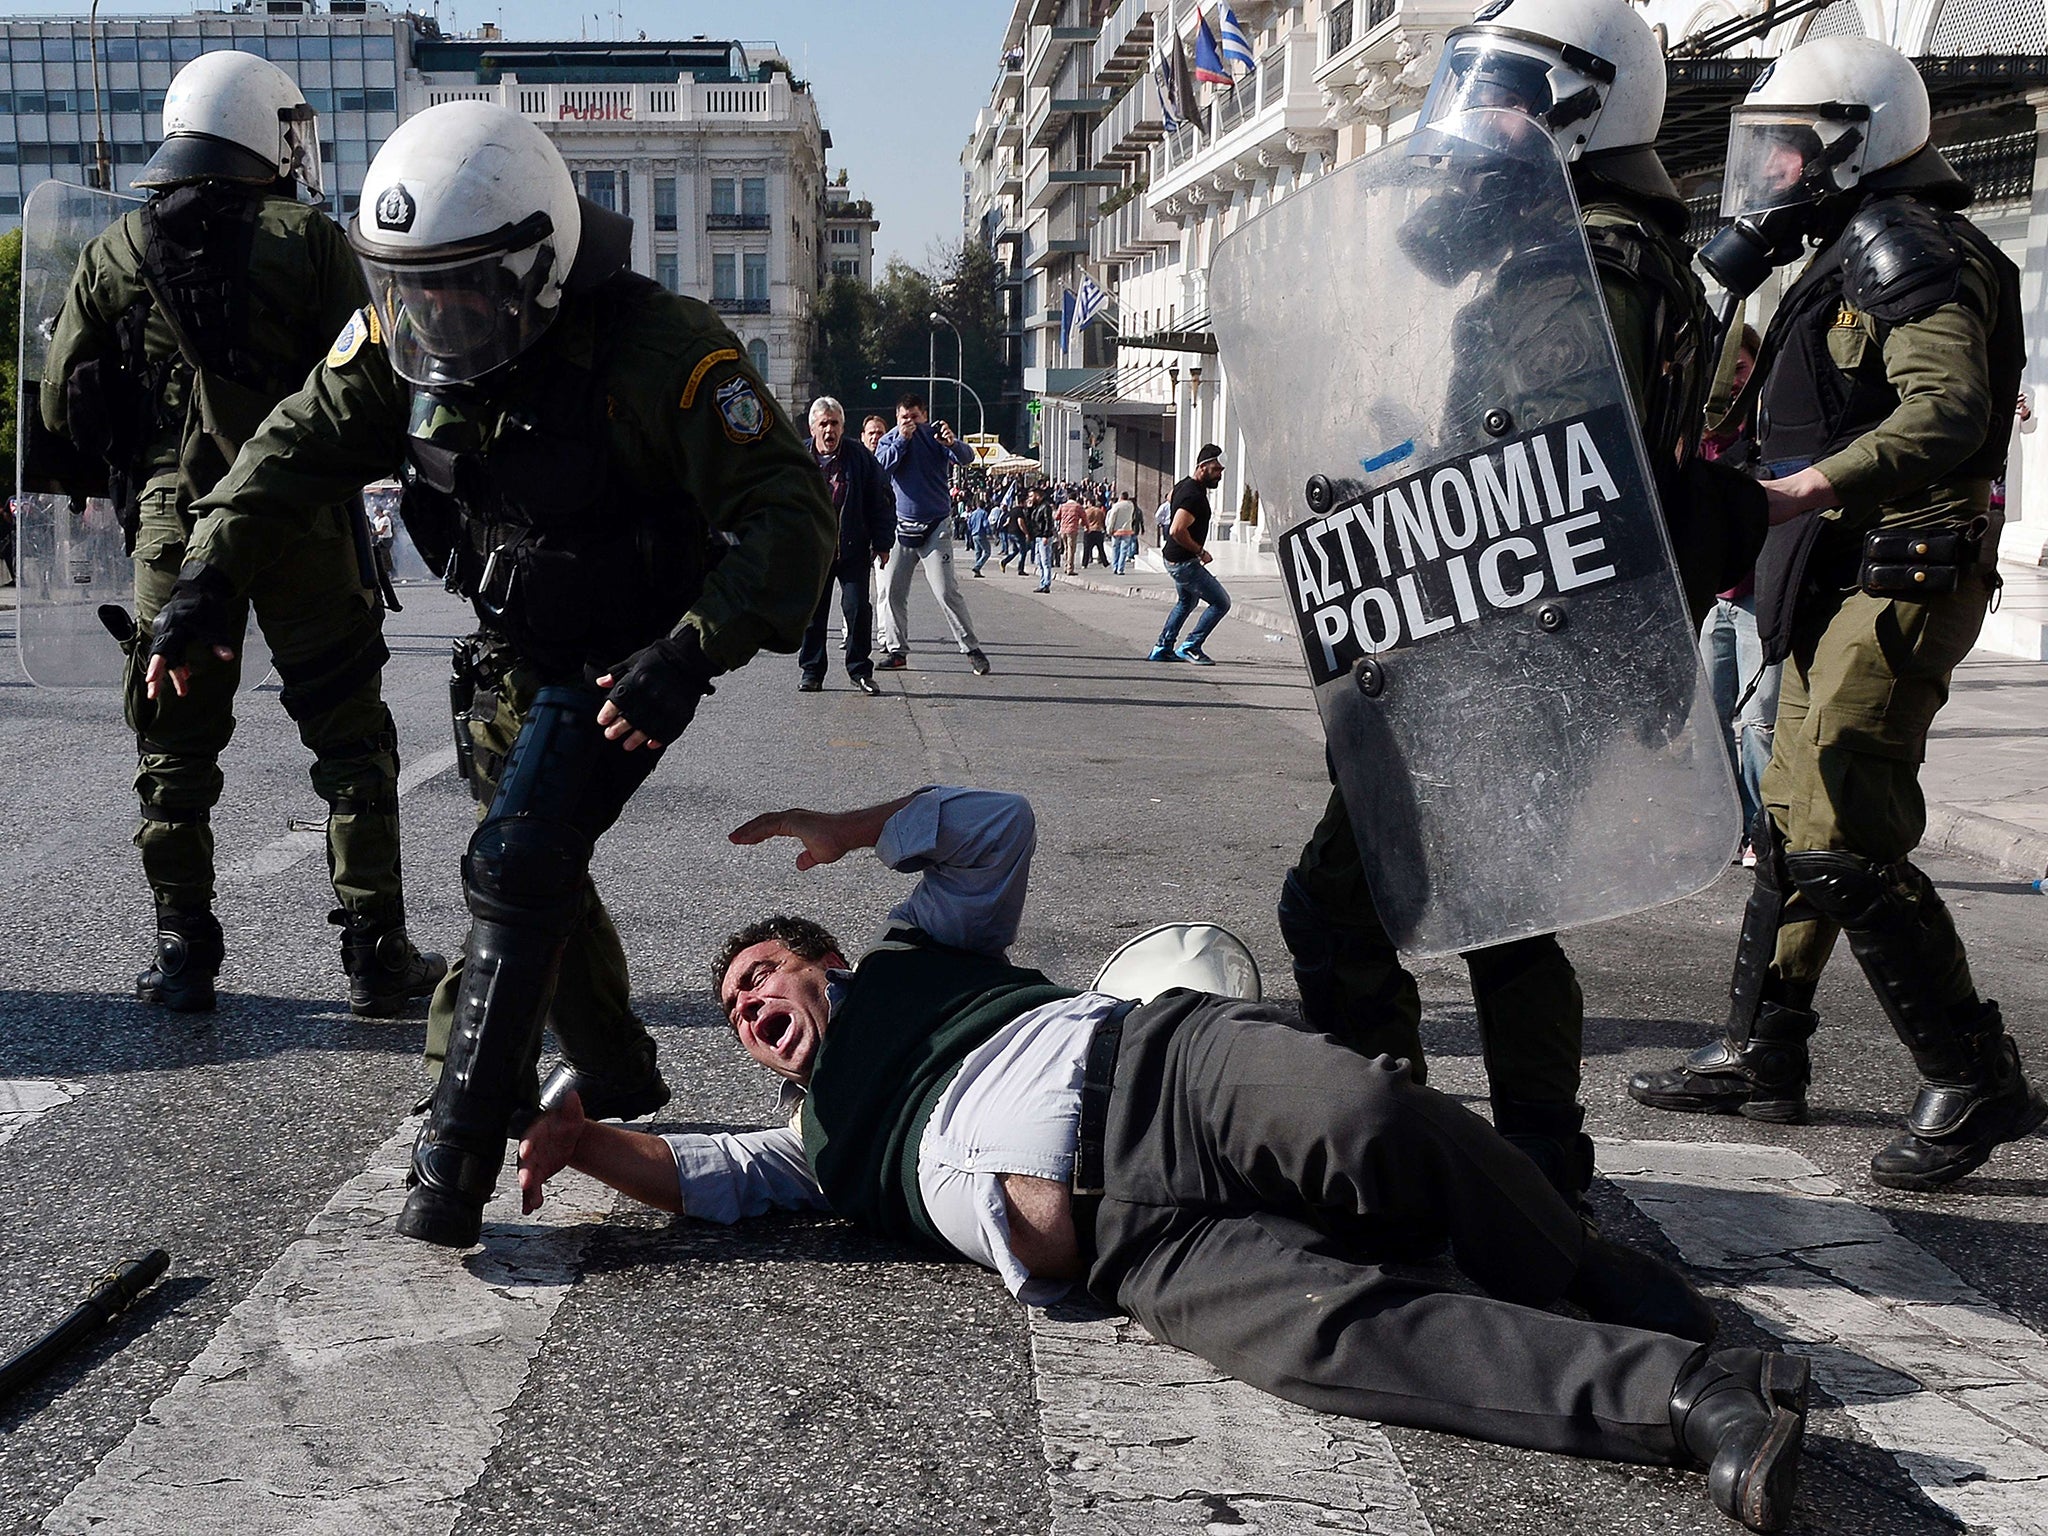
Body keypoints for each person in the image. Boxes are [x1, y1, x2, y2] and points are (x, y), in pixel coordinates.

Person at [518, 785, 1814, 1536]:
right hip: (1138, 1247)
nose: (748, 1008)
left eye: (760, 976)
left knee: (1368, 1125)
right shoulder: (805, 1146)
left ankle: (1577, 1266)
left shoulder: (923, 957)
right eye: (737, 1011)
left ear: (826, 962)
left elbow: (997, 829)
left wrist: (861, 826)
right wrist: (582, 1147)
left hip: (1163, 1073)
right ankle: (1692, 1400)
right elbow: (703, 1181)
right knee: (1333, 1341)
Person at [141, 102, 836, 1246]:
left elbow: (789, 517)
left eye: (468, 286)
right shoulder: (394, 343)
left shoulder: (659, 348)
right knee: (534, 858)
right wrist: (206, 579)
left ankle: (458, 1133)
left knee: (515, 861)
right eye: (415, 287)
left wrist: (692, 650)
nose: (439, 315)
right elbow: (283, 452)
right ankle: (613, 1067)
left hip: (631, 656)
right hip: (511, 654)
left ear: (543, 260)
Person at [1276, 0, 1758, 1202]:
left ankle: (1382, 1141)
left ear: (1580, 107)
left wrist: (1425, 536)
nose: (1472, 120)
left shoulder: (1578, 267)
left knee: (1345, 900)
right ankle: (1535, 1151)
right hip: (1543, 643)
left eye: (1501, 93)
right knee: (1498, 905)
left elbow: (1543, 478)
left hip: (1513, 645)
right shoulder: (1595, 253)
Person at [1628, 37, 2046, 1188]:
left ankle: (1974, 1073)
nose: (1767, 174)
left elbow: (1950, 406)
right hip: (1838, 573)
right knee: (1789, 813)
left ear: (1853, 144)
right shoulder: (1845, 249)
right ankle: (1763, 1053)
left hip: (1896, 572)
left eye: (1790, 148)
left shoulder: (1900, 243)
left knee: (1837, 827)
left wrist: (1798, 491)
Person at [37, 50, 442, 1017]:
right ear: (259, 128)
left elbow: (61, 398)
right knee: (348, 735)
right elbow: (371, 371)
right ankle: (374, 955)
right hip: (295, 516)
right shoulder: (308, 237)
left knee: (173, 751)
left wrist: (143, 457)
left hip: (171, 529)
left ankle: (184, 957)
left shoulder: (114, 252)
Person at [1694, 326, 1775, 863]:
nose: (1730, 383)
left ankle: (1765, 833)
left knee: (1760, 717)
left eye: (1740, 370)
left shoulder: (1767, 428)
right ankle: (1729, 828)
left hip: (1755, 597)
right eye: (1722, 374)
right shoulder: (1691, 433)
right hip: (1712, 598)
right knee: (1710, 715)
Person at [873, 394, 990, 676]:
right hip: (901, 528)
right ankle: (896, 650)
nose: (910, 423)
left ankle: (971, 648)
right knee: (892, 592)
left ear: (924, 415)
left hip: (935, 527)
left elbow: (967, 457)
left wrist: (952, 443)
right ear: (897, 418)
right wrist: (901, 439)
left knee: (945, 590)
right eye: (904, 418)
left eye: (914, 417)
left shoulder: (936, 434)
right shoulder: (890, 439)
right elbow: (880, 469)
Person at [797, 396, 892, 697]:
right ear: (813, 428)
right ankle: (811, 671)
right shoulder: (798, 456)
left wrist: (883, 542)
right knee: (813, 614)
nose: (829, 430)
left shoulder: (860, 457)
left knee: (857, 609)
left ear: (842, 426)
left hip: (851, 547)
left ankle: (860, 671)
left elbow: (880, 499)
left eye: (834, 423)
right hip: (814, 552)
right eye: (823, 424)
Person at [1149, 444, 1232, 664]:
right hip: (1184, 562)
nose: (1219, 476)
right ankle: (1191, 646)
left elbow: (1169, 498)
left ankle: (1162, 647)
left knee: (1186, 602)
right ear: (1203, 467)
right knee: (1221, 603)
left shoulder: (1183, 486)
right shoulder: (1193, 496)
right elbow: (1177, 529)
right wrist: (1200, 551)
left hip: (1175, 558)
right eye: (1216, 470)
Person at [1022, 485, 1057, 592]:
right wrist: (1028, 509)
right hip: (1037, 536)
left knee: (1045, 561)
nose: (1030, 498)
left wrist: (1046, 535)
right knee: (1039, 561)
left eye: (1032, 496)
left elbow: (1048, 521)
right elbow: (1029, 521)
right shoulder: (1036, 507)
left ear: (1037, 495)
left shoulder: (1045, 506)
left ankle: (1046, 584)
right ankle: (1042, 583)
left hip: (1043, 536)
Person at [1106, 489, 1141, 575]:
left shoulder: (1116, 506)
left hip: (1116, 530)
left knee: (1115, 549)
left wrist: (1109, 529)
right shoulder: (1131, 505)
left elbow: (1112, 518)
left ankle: (1115, 566)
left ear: (1120, 497)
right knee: (1124, 550)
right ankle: (1120, 569)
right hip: (1127, 530)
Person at [1054, 490, 1085, 576]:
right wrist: (1087, 526)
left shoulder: (1062, 506)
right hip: (1072, 529)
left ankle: (1065, 565)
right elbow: (1084, 517)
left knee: (1066, 548)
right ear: (1076, 498)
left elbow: (1056, 517)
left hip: (1063, 529)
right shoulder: (1078, 506)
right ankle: (1070, 569)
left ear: (1068, 497)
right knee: (1071, 549)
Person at [966, 494, 993, 577]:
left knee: (978, 552)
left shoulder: (973, 513)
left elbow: (969, 524)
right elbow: (985, 524)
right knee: (987, 552)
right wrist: (990, 533)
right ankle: (977, 567)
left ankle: (977, 572)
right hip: (981, 534)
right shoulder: (984, 513)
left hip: (974, 534)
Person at [1080, 496, 1109, 569]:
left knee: (1086, 549)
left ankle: (1084, 563)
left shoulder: (1086, 511)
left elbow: (1081, 522)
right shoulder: (1099, 511)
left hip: (1089, 531)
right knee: (1101, 548)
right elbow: (1103, 520)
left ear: (1089, 503)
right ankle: (1105, 562)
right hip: (1098, 530)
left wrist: (1084, 526)